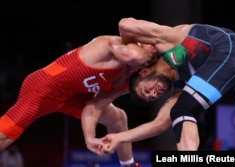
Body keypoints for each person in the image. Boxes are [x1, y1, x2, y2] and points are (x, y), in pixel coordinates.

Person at [0, 34, 159, 167]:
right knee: (5, 136)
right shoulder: (110, 45)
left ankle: (128, 165)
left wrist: (89, 138)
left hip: (73, 96)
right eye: (151, 45)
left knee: (118, 118)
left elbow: (95, 106)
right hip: (45, 88)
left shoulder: (133, 79)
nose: (154, 48)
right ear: (138, 42)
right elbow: (134, 53)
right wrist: (161, 52)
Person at [99, 17, 235, 152]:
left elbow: (125, 24)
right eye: (151, 98)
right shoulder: (181, 85)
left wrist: (132, 60)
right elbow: (159, 124)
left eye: (146, 90)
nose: (153, 94)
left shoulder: (167, 42)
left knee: (182, 110)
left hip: (231, 50)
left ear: (144, 72)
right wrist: (119, 138)